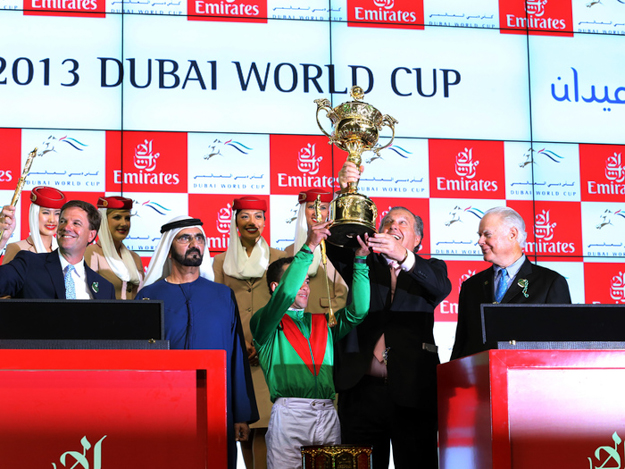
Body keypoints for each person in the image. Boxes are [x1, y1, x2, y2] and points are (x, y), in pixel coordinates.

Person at [326, 161, 452, 469]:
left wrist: (403, 257)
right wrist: (346, 191)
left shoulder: (430, 269)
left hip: (413, 390)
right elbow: (332, 241)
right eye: (387, 223)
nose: (394, 226)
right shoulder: (362, 262)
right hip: (361, 390)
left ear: (417, 240)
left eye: (403, 224)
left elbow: (441, 288)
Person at [135, 216, 258, 469]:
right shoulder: (148, 297)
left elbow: (235, 356)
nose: (194, 243)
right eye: (185, 238)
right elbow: (140, 361)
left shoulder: (222, 295)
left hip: (216, 409)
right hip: (163, 410)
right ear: (169, 249)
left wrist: (240, 414)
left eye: (199, 238)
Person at [250, 221, 370, 469]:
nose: (304, 287)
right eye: (298, 281)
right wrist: (310, 246)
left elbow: (359, 311)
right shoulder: (265, 322)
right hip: (290, 414)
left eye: (307, 281)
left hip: (327, 412)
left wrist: (360, 263)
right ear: (275, 287)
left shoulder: (322, 323)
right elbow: (285, 295)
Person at [212, 196, 287, 469]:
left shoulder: (279, 257)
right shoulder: (220, 261)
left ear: (265, 222)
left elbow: (285, 304)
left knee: (267, 427)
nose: (251, 222)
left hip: (270, 350)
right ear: (235, 222)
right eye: (245, 216)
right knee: (243, 426)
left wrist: (259, 341)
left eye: (258, 216)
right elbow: (219, 306)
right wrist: (240, 343)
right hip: (237, 349)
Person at [450, 206, 572, 360]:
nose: (480, 241)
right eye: (480, 235)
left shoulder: (550, 283)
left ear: (512, 234)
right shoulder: (471, 286)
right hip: (481, 378)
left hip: (530, 377)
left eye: (487, 235)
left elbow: (562, 345)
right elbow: (462, 344)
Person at [0, 200, 115, 300]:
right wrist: (1, 240)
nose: (66, 227)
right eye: (63, 221)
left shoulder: (105, 288)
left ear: (91, 235)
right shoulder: (28, 263)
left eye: (76, 223)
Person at [284, 189, 348, 315]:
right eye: (312, 207)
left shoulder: (337, 247)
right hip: (295, 321)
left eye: (323, 208)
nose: (317, 213)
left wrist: (326, 320)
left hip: (325, 320)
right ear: (303, 211)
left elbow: (343, 291)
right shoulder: (288, 250)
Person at [85, 196, 144, 299]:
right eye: (117, 217)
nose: (124, 223)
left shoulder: (135, 257)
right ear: (103, 220)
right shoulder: (91, 253)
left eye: (127, 218)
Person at [2, 186, 66, 264]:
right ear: (34, 214)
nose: (52, 220)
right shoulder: (17, 249)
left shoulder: (65, 250)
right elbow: (5, 276)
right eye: (46, 213)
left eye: (57, 214)